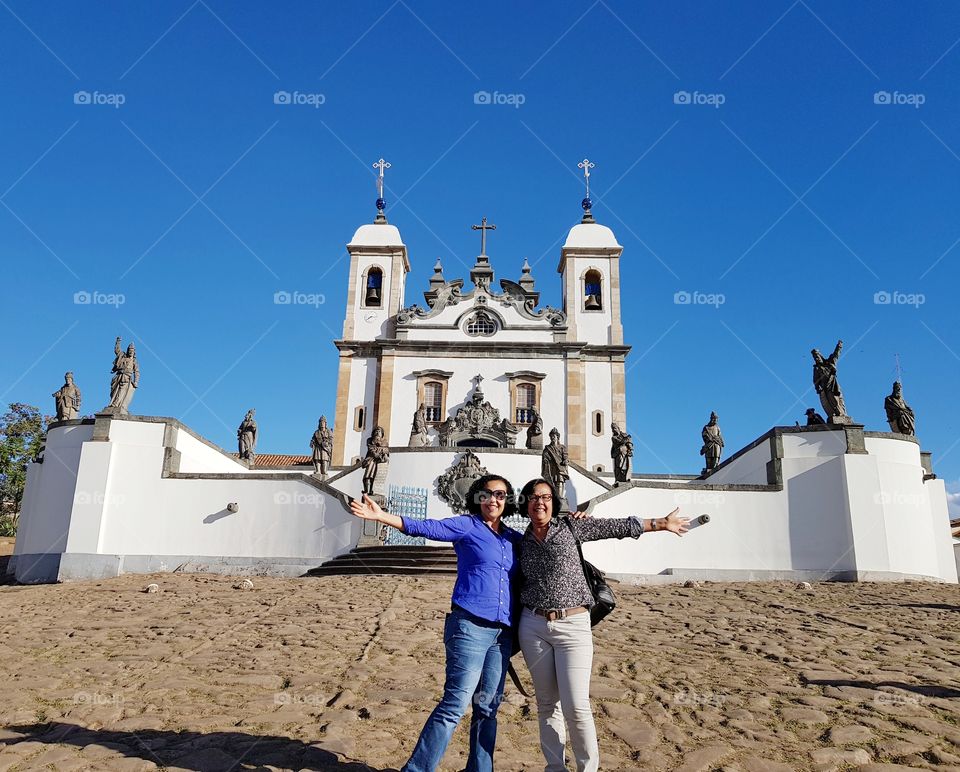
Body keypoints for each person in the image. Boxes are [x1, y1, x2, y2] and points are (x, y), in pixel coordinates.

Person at [349, 474, 522, 772]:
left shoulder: (513, 539)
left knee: (488, 708)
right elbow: (427, 527)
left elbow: (546, 542)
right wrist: (382, 517)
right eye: (487, 494)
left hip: (502, 634)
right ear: (478, 498)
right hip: (469, 626)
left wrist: (572, 521)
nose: (494, 499)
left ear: (507, 500)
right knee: (454, 705)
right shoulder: (467, 526)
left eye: (501, 495)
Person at [516, 477, 688, 772]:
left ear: (553, 502)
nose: (539, 502)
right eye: (532, 497)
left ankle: (588, 768)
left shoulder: (572, 527)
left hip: (573, 624)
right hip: (533, 626)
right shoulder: (521, 540)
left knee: (577, 707)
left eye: (545, 497)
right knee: (546, 704)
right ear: (525, 504)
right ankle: (554, 768)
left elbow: (616, 527)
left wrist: (660, 523)